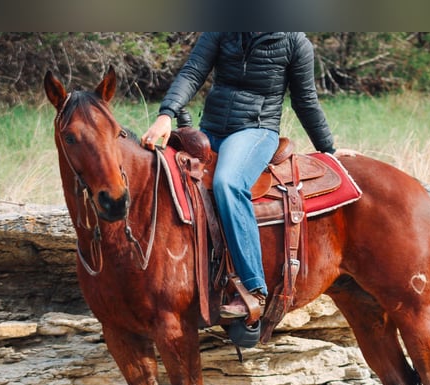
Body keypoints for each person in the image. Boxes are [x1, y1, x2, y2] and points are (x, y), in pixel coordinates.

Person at [141, 32, 336, 320]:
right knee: (163, 174)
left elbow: (305, 101)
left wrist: (328, 150)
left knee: (228, 183)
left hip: (255, 131)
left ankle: (252, 286)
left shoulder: (296, 42)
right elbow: (193, 71)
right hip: (210, 129)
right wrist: (166, 114)